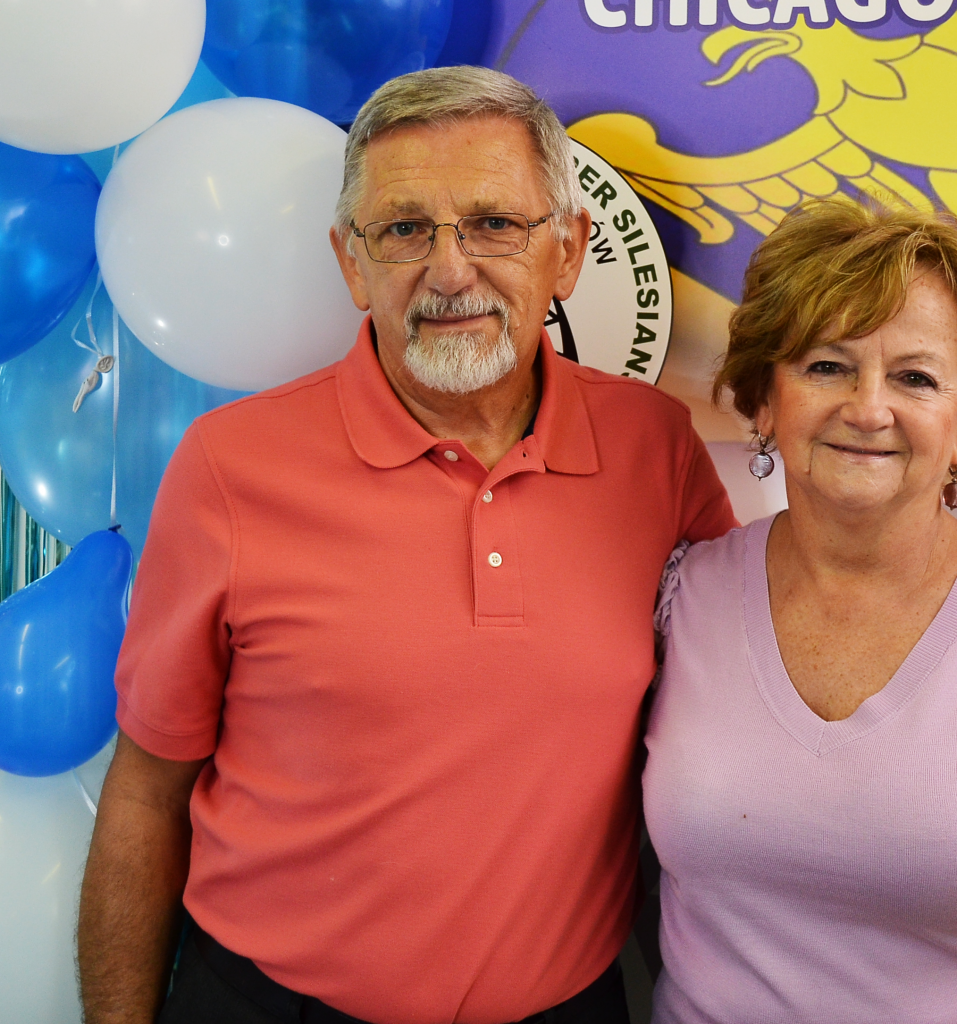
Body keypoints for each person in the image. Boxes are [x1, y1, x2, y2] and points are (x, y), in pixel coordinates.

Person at [78, 66, 735, 1024]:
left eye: (493, 224)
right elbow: (146, 792)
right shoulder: (230, 467)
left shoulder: (656, 448)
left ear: (568, 251)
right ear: (351, 263)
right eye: (404, 230)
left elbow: (750, 697)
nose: (451, 269)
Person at [644, 196, 957, 1023]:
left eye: (916, 377)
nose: (869, 407)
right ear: (763, 403)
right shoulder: (683, 597)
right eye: (827, 366)